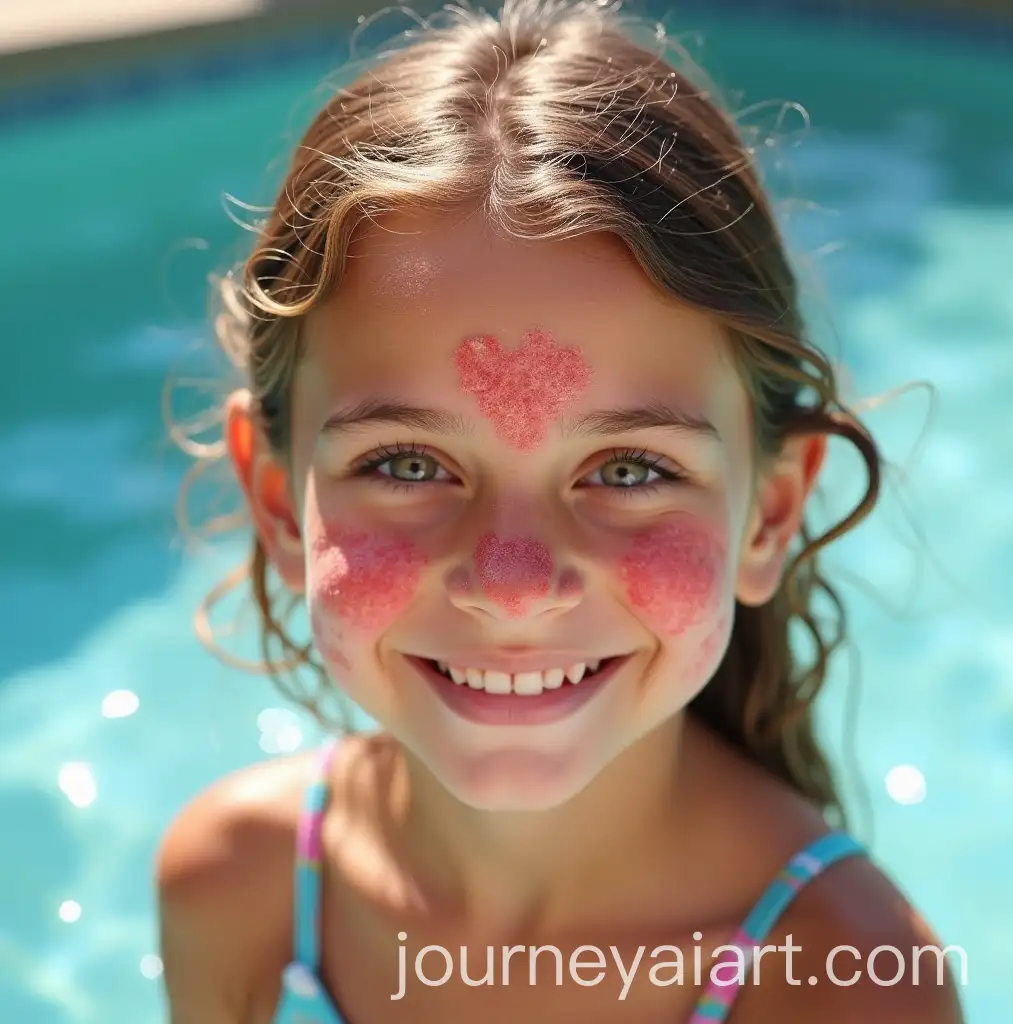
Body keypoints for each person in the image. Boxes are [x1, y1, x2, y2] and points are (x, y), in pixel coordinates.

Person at [155, 1, 964, 1021]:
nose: (512, 582)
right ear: (277, 501)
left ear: (770, 512)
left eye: (627, 471)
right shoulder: (243, 890)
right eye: (408, 461)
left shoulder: (840, 983)